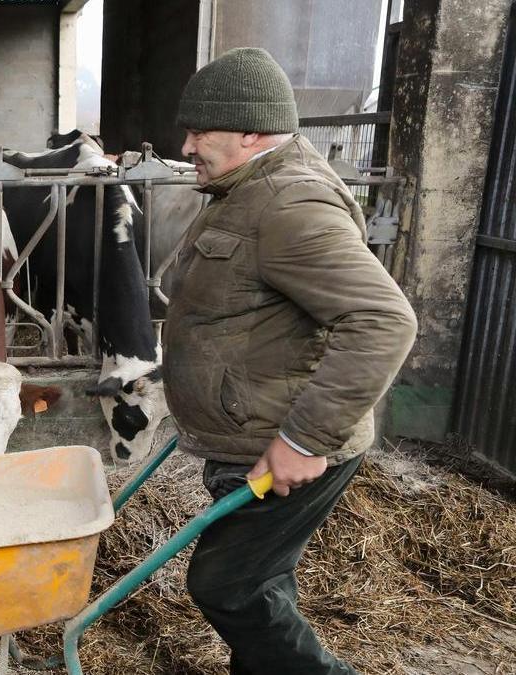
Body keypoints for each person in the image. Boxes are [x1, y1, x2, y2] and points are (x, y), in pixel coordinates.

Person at [163, 47, 419, 674]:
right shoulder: (245, 186)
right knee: (260, 582)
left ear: (251, 132)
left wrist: (303, 440)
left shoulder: (289, 204)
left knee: (229, 585)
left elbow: (384, 320)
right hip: (249, 429)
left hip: (281, 441)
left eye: (201, 131)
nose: (188, 145)